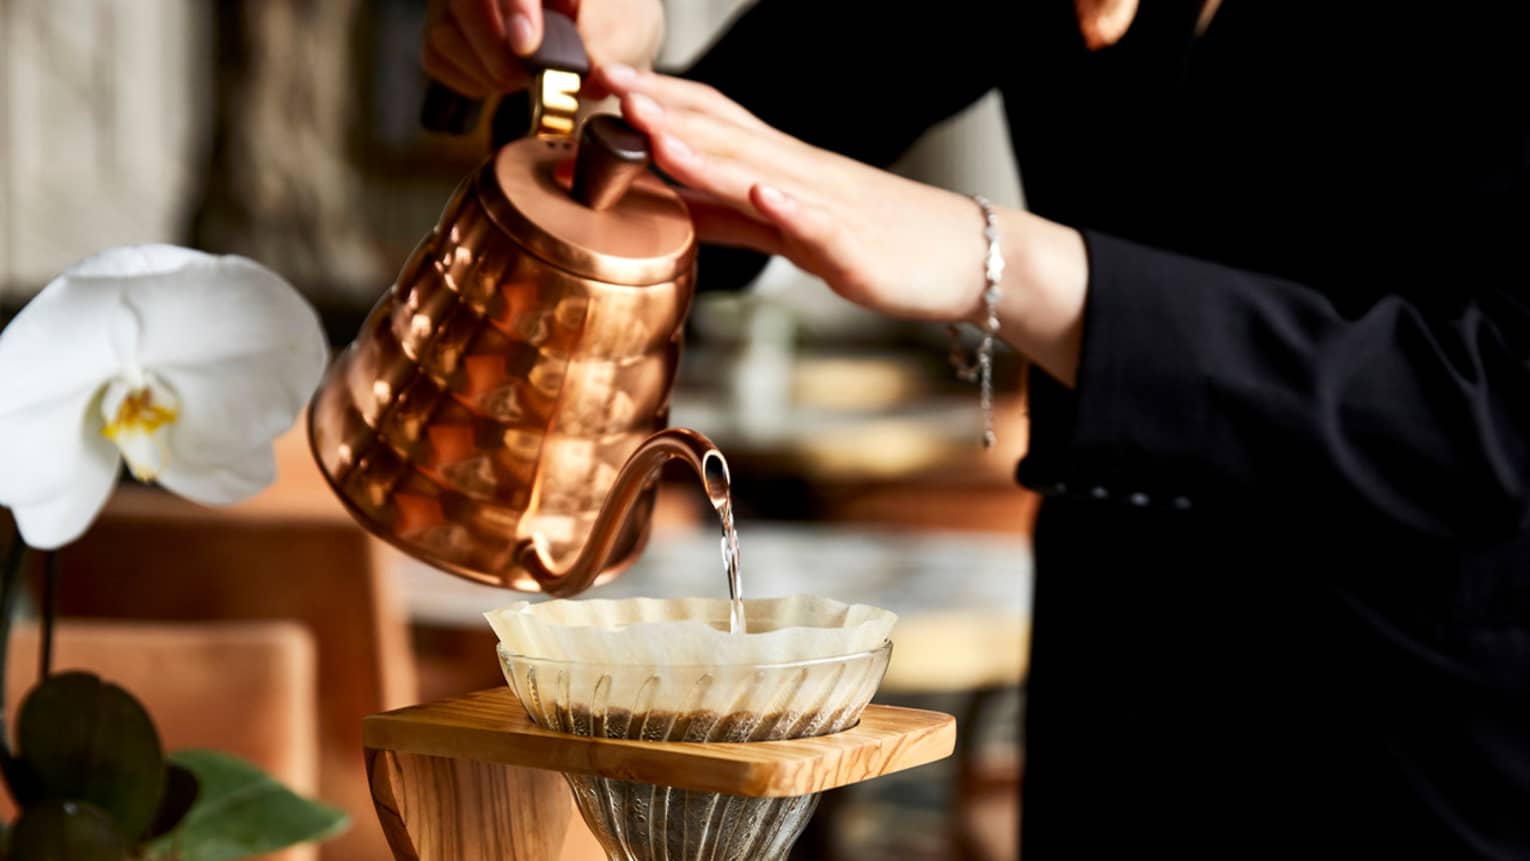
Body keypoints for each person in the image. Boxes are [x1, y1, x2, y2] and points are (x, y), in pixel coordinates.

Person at [423, 1, 1530, 856]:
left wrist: (1005, 262)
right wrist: (598, 52)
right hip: (1119, 688)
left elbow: (1496, 413)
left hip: (1446, 734)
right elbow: (728, 160)